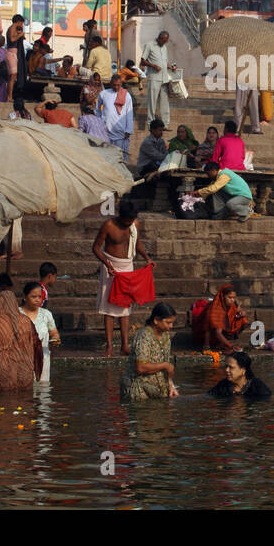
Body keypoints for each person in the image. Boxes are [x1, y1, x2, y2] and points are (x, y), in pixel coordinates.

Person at [93, 199, 154, 357]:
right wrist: (107, 265)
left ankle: (124, 345)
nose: (130, 223)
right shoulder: (109, 225)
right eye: (127, 220)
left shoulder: (135, 225)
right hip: (110, 267)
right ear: (121, 216)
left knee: (125, 308)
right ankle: (109, 346)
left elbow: (137, 244)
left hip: (128, 266)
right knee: (109, 308)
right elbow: (96, 248)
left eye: (132, 220)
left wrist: (147, 258)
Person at [0, 285, 41, 390]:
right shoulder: (27, 321)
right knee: (24, 404)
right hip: (25, 373)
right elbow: (37, 347)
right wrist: (37, 372)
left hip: (1, 374)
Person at [121, 302, 179, 400]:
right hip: (138, 390)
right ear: (156, 320)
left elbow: (167, 368)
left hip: (156, 388)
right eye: (168, 322)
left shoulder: (165, 337)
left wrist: (171, 385)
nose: (171, 326)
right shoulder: (144, 336)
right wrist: (165, 365)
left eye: (172, 323)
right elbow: (141, 367)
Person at [21, 276, 61, 383]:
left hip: (43, 357)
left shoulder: (46, 314)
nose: (37, 300)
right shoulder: (17, 314)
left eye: (39, 296)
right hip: (22, 358)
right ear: (24, 297)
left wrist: (55, 340)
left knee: (43, 391)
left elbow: (54, 333)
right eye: (33, 296)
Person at [194, 284, 248, 351]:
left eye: (234, 298)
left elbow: (238, 309)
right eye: (229, 297)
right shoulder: (216, 308)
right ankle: (212, 344)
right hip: (206, 334)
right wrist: (230, 346)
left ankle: (222, 342)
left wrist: (242, 312)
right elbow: (217, 332)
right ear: (223, 297)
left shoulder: (232, 305)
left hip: (221, 331)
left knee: (243, 320)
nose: (232, 300)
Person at [140, 30, 175, 129]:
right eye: (163, 40)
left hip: (164, 78)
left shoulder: (164, 48)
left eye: (166, 41)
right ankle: (150, 124)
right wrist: (153, 66)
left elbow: (164, 63)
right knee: (152, 102)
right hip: (154, 78)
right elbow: (142, 61)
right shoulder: (149, 45)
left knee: (165, 103)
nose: (164, 43)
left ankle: (165, 124)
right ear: (159, 38)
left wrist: (170, 67)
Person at [98, 74, 136, 161]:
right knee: (107, 156)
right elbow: (97, 109)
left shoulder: (127, 96)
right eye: (114, 85)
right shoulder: (103, 94)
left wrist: (129, 130)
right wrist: (100, 121)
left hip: (121, 132)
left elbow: (129, 113)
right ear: (111, 84)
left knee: (120, 157)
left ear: (121, 84)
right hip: (106, 130)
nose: (116, 87)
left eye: (118, 85)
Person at [208, 351, 272, 398]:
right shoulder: (222, 386)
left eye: (231, 367)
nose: (226, 370)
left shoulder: (258, 388)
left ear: (243, 370)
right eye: (226, 366)